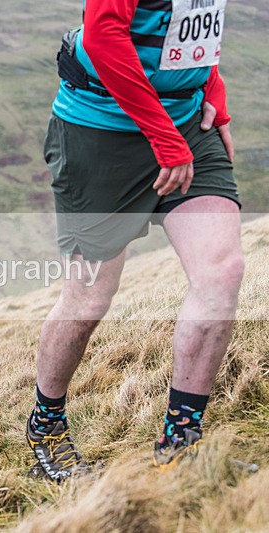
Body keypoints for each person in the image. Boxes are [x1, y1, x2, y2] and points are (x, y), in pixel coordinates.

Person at [27, 0, 243, 481]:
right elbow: (104, 37)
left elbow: (194, 25)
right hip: (99, 132)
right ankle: (47, 425)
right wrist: (165, 139)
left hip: (186, 125)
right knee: (89, 299)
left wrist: (215, 93)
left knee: (221, 273)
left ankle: (181, 444)